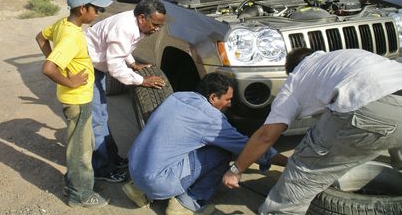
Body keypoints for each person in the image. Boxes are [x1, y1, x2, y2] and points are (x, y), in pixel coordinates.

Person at [222, 48, 402, 214]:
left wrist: (236, 169)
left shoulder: (296, 80)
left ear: (291, 70)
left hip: (367, 110)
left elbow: (265, 136)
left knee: (303, 170)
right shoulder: (345, 56)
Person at [123, 72, 288, 215]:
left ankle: (139, 191)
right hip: (157, 182)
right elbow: (248, 147)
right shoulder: (211, 119)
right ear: (213, 97)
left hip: (134, 168)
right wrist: (287, 162)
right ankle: (187, 204)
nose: (230, 104)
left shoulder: (177, 96)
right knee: (222, 152)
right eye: (228, 99)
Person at [35, 0, 112, 208]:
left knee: (82, 144)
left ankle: (77, 184)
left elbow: (40, 37)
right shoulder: (71, 36)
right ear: (81, 9)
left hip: (77, 98)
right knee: (80, 150)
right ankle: (80, 194)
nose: (97, 14)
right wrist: (69, 79)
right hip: (77, 99)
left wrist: (63, 65)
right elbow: (48, 68)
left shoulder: (63, 24)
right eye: (95, 9)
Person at [85, 0, 168, 183]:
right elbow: (114, 66)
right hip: (86, 66)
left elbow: (124, 49)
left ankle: (112, 157)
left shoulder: (135, 24)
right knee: (97, 120)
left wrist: (132, 63)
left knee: (102, 116)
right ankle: (101, 169)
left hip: (96, 63)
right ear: (142, 18)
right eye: (155, 24)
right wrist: (141, 80)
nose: (156, 29)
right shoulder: (124, 27)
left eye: (159, 26)